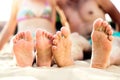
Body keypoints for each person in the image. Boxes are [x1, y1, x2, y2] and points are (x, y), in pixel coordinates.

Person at [0, 0, 57, 67]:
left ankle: (43, 57)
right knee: (17, 43)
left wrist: (55, 41)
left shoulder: (52, 1)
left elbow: (53, 26)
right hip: (24, 39)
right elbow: (9, 27)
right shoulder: (17, 1)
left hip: (45, 40)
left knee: (46, 44)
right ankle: (30, 57)